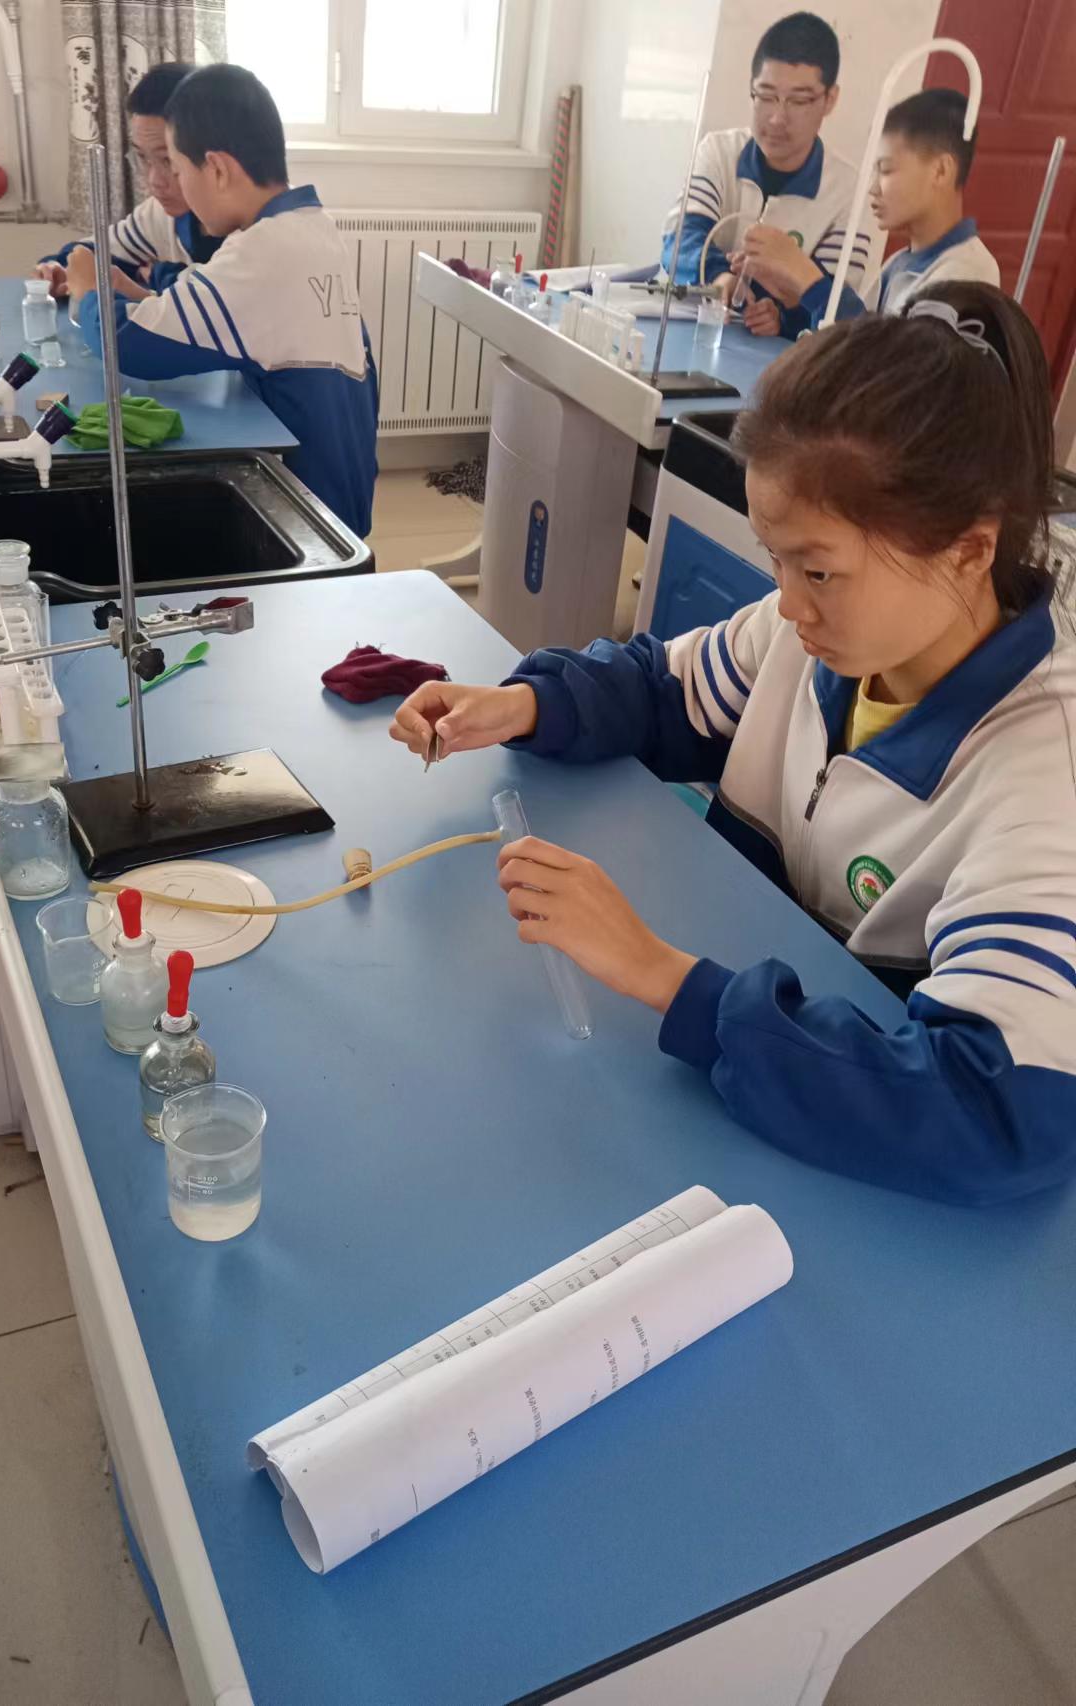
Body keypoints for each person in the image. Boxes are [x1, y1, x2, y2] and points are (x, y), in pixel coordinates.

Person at [390, 281, 1076, 1206]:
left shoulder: (1042, 773)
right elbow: (663, 689)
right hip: (748, 1090)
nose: (787, 605)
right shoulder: (813, 640)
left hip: (848, 1169)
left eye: (819, 570)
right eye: (776, 560)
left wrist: (665, 978)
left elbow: (997, 1112)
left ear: (967, 550)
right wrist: (525, 706)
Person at [66, 64, 378, 538]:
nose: (170, 182)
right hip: (344, 485)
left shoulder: (260, 251)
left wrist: (89, 289)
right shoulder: (311, 226)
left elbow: (127, 345)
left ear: (216, 168)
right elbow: (245, 320)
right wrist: (140, 293)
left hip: (300, 502)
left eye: (177, 167)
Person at [625, 11, 868, 338]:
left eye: (799, 101)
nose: (777, 118)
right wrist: (720, 278)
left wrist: (783, 317)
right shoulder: (719, 152)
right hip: (689, 332)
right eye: (766, 96)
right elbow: (679, 239)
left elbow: (834, 307)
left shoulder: (846, 192)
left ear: (830, 100)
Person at [736, 87, 999, 328]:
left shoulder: (967, 273)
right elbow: (856, 331)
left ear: (940, 171)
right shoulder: (899, 263)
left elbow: (886, 359)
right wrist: (791, 305)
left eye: (885, 169)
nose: (873, 188)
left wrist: (808, 278)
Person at [35, 61, 221, 302]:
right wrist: (57, 270)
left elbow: (215, 300)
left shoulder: (250, 232)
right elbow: (95, 252)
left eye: (168, 160)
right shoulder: (160, 215)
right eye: (143, 158)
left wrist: (160, 277)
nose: (154, 181)